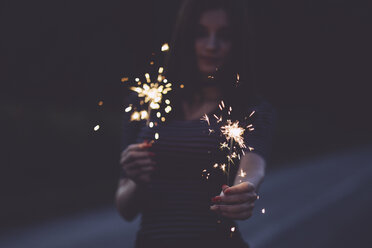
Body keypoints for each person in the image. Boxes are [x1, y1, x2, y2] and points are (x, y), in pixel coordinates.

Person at [115, 0, 276, 247]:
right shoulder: (145, 104)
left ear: (238, 43)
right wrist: (136, 179)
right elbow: (125, 210)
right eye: (201, 33)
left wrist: (243, 189)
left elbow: (252, 167)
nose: (212, 45)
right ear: (185, 37)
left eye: (224, 35)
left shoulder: (250, 109)